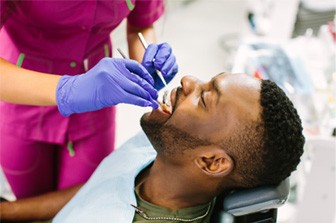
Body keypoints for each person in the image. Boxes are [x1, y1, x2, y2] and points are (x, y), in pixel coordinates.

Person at [47, 72, 304, 222]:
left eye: (203, 98)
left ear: (211, 162)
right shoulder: (168, 146)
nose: (187, 80)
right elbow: (101, 188)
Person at [0, 0, 178, 203]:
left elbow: (140, 24)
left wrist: (147, 61)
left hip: (98, 97)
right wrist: (67, 91)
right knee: (31, 205)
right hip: (22, 95)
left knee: (85, 201)